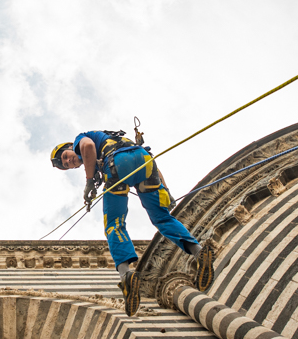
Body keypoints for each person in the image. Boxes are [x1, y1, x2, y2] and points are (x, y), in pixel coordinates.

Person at [51, 130, 214, 315]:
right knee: (162, 218)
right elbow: (153, 165)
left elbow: (87, 147)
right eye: (66, 164)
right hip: (144, 161)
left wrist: (89, 182)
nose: (69, 161)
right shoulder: (111, 140)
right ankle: (198, 252)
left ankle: (126, 275)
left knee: (114, 224)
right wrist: (166, 190)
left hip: (119, 164)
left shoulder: (80, 139)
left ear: (69, 147)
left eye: (65, 156)